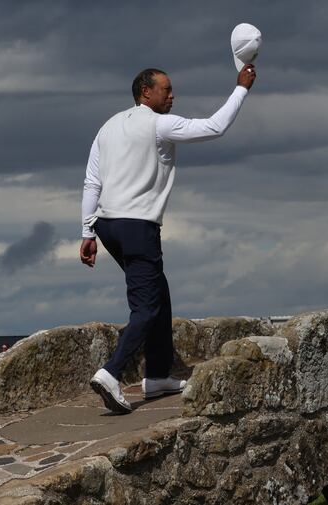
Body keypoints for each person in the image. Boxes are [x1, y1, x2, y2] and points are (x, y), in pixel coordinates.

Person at [80, 65, 256, 414]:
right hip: (137, 225)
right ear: (146, 92)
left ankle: (158, 375)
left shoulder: (108, 126)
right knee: (145, 306)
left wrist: (87, 231)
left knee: (158, 291)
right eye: (167, 90)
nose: (172, 96)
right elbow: (214, 127)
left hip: (107, 224)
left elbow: (91, 183)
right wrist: (241, 89)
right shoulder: (159, 124)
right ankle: (111, 373)